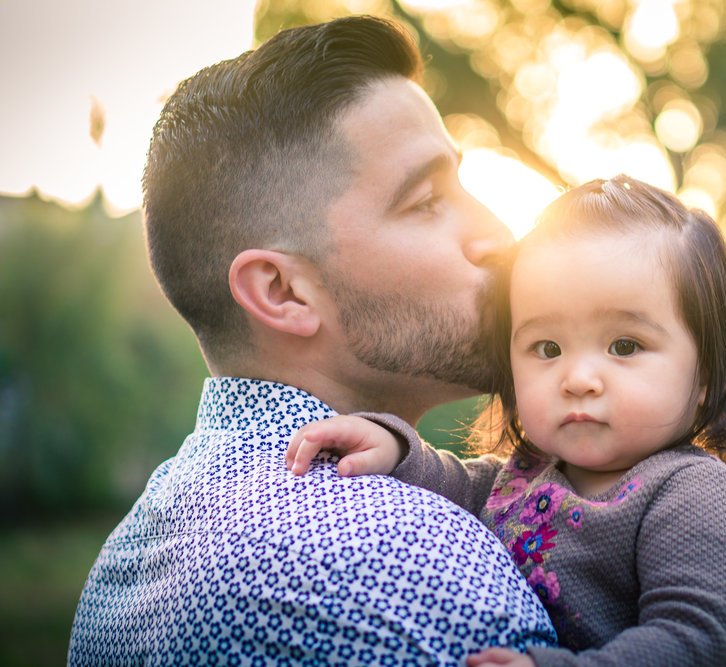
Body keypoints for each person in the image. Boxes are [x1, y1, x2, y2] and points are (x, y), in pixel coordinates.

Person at [68, 16, 557, 665]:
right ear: (281, 291)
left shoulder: (122, 567)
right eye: (425, 200)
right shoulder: (409, 559)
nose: (496, 235)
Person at [287, 175, 726, 666]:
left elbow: (693, 641)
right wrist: (396, 449)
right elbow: (456, 486)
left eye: (625, 346)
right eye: (547, 348)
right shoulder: (521, 476)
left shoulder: (693, 495)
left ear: (706, 370)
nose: (577, 378)